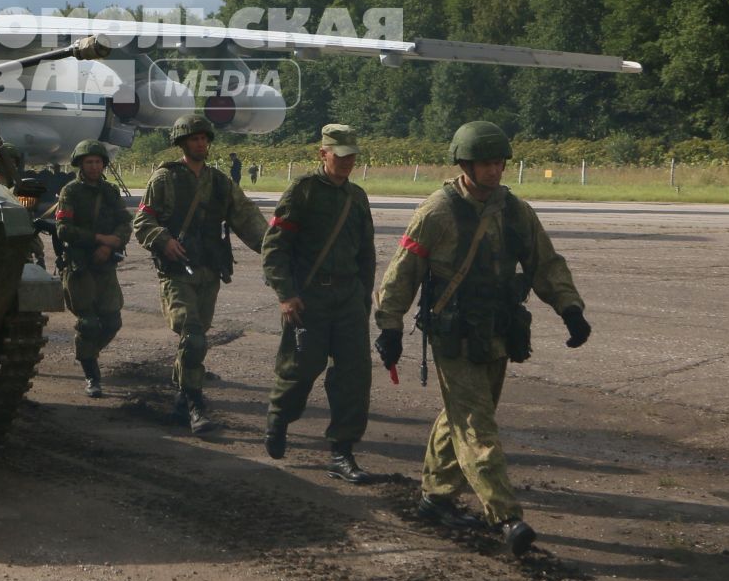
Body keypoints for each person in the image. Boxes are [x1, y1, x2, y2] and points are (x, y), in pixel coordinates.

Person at [373, 121, 592, 556]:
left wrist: (570, 308)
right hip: (453, 334)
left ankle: (435, 496)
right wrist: (390, 326)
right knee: (477, 425)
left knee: (464, 413)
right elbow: (402, 273)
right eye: (486, 163)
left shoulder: (516, 212)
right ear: (465, 164)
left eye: (499, 162)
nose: (495, 171)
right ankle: (506, 516)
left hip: (498, 331)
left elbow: (544, 262)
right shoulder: (436, 212)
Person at [132, 114, 266, 433]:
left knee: (197, 338)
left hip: (209, 270)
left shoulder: (220, 182)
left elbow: (249, 220)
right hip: (176, 272)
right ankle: (195, 406)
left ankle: (181, 398)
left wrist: (276, 250)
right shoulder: (164, 179)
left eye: (205, 138)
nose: (201, 143)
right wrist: (163, 241)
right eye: (194, 139)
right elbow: (142, 222)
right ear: (182, 143)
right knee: (192, 337)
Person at [260, 124, 377, 482]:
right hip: (308, 299)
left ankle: (342, 452)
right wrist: (286, 294)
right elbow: (275, 247)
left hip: (348, 299)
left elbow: (366, 254)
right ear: (323, 154)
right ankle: (279, 417)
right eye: (339, 155)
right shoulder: (303, 192)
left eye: (352, 155)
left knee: (354, 376)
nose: (346, 161)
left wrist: (363, 299)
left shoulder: (357, 197)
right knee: (300, 369)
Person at [53, 139, 131, 398]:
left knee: (112, 320)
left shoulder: (110, 191)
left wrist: (111, 246)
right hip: (80, 264)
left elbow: (124, 223)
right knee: (88, 323)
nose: (94, 166)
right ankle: (92, 376)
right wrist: (99, 239)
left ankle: (88, 354)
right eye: (89, 162)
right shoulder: (70, 192)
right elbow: (64, 229)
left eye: (98, 161)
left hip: (106, 264)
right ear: (81, 164)